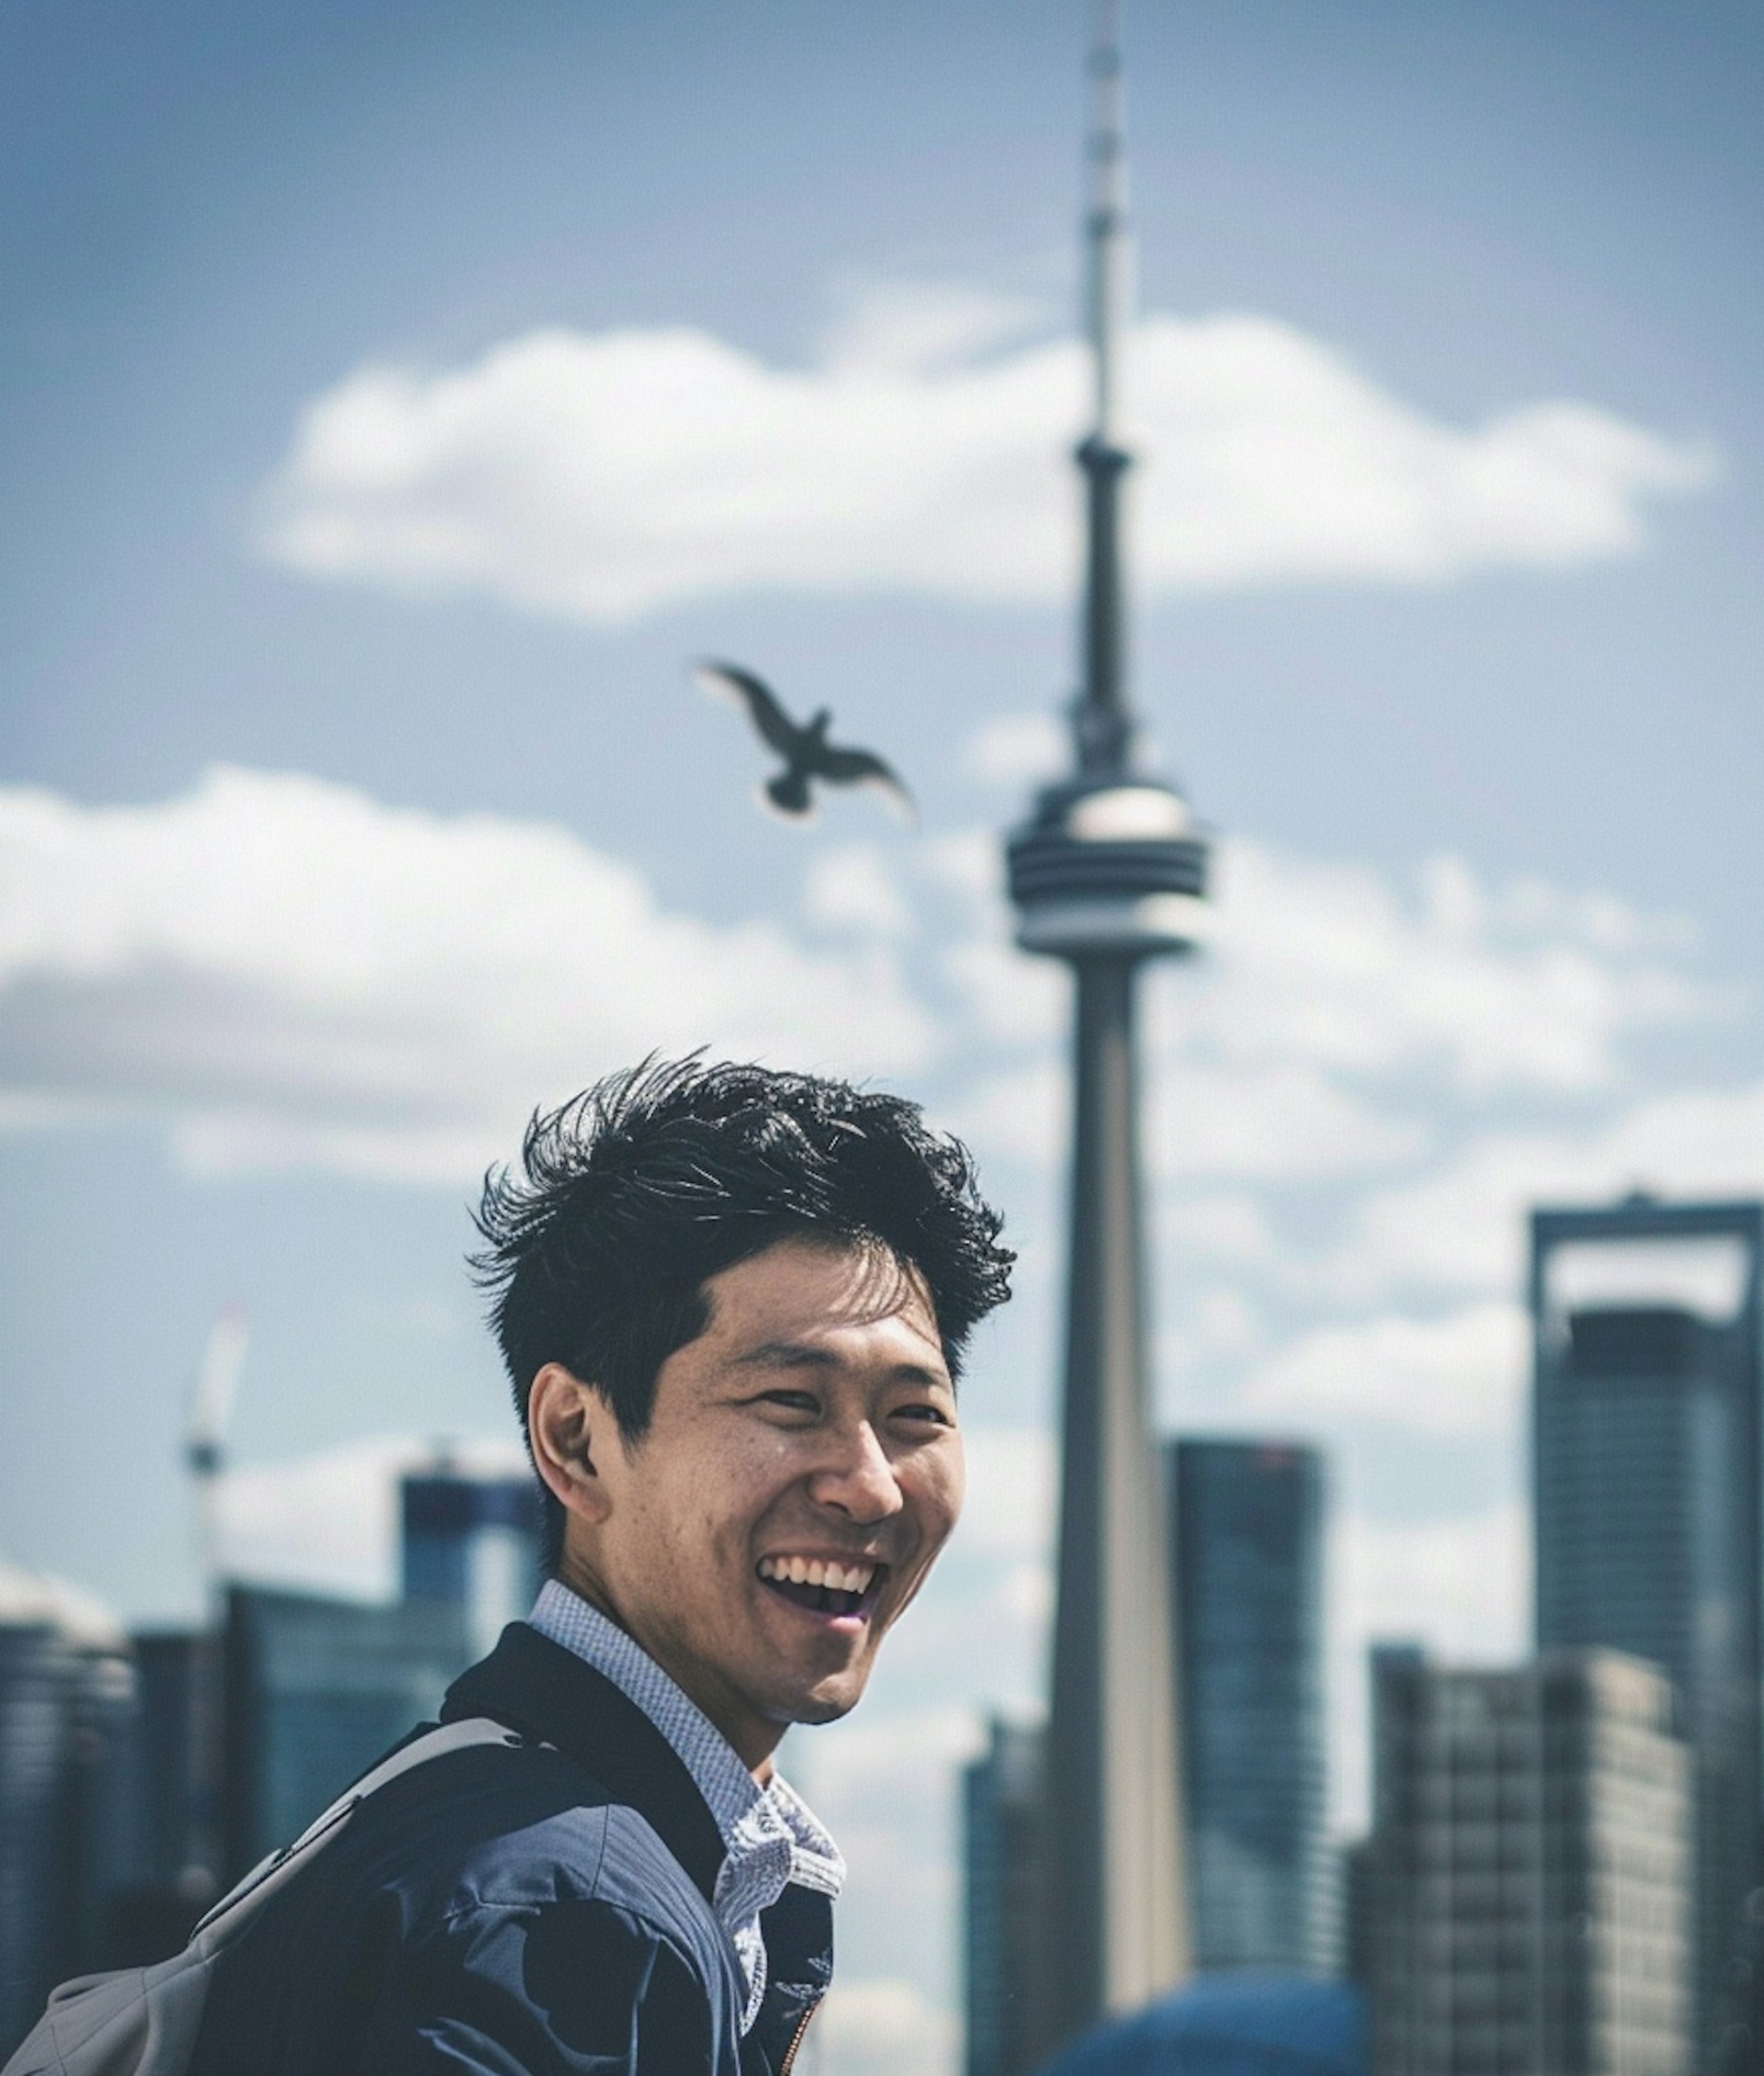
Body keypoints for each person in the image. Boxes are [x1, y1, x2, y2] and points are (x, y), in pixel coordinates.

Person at [186, 1056, 1013, 2076]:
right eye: (791, 1403)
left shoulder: (462, 1823)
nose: (874, 1486)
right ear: (575, 1439)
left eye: (914, 1416)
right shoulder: (566, 1914)